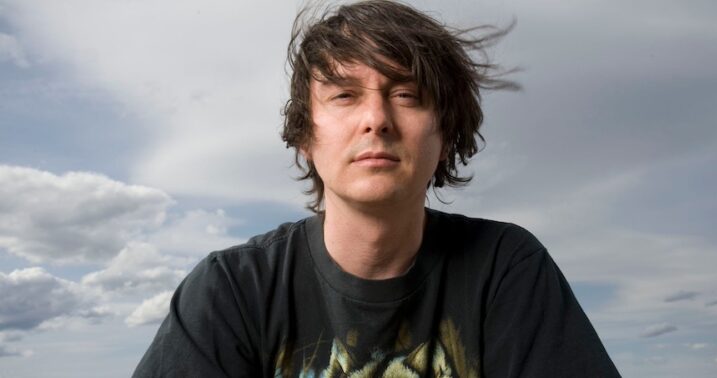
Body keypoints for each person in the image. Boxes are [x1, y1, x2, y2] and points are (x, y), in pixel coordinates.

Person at [134, 1, 620, 377]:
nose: (377, 120)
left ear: (446, 133)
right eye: (344, 95)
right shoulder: (231, 289)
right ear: (305, 136)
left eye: (407, 95)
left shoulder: (505, 267)